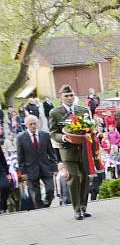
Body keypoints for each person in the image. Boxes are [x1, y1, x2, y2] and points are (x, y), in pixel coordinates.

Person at [49, 84, 93, 220]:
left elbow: (90, 128)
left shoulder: (83, 110)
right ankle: (76, 209)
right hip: (67, 151)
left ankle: (84, 206)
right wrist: (63, 137)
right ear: (60, 98)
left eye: (71, 95)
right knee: (73, 178)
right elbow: (53, 133)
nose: (69, 98)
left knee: (85, 178)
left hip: (83, 150)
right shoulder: (55, 113)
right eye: (66, 96)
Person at [15, 114, 58, 208]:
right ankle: (40, 210)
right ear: (26, 125)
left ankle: (47, 203)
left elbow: (51, 153)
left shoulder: (45, 135)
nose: (33, 126)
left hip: (46, 168)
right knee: (36, 194)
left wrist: (54, 167)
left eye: (34, 124)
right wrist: (23, 172)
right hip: (31, 169)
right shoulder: (20, 138)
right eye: (30, 124)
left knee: (50, 190)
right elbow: (20, 157)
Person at [0, 143, 11, 213]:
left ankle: (2, 207)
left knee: (6, 186)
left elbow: (2, 159)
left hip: (1, 170)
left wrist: (7, 172)